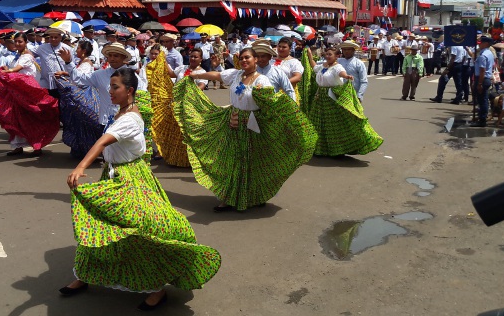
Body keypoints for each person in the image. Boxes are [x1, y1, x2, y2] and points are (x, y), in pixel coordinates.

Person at [61, 68, 221, 311]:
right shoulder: (122, 111)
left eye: (116, 87)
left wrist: (81, 166)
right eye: (111, 86)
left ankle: (158, 289)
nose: (110, 91)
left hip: (131, 179)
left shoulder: (129, 119)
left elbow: (103, 141)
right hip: (114, 175)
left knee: (143, 231)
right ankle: (85, 275)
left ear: (130, 91)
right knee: (99, 226)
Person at [173, 47, 316, 211]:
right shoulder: (236, 75)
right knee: (232, 162)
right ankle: (228, 198)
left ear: (255, 60)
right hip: (233, 123)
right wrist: (196, 75)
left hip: (254, 128)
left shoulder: (262, 81)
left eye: (247, 57)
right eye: (241, 58)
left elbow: (270, 106)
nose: (244, 61)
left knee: (253, 164)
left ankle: (255, 196)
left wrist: (251, 117)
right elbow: (218, 75)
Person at [0, 32, 59, 156]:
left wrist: (8, 71)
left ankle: (37, 147)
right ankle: (18, 145)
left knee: (31, 119)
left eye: (20, 41)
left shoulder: (27, 56)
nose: (17, 44)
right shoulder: (17, 55)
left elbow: (17, 69)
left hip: (28, 92)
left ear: (26, 43)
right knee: (16, 118)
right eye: (15, 41)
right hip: (17, 92)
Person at [305, 46, 383, 156]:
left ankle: (338, 150)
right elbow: (314, 67)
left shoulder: (338, 66)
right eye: (326, 54)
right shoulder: (325, 65)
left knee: (333, 125)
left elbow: (341, 73)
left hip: (331, 99)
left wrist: (347, 76)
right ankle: (320, 148)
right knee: (318, 123)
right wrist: (309, 55)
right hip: (320, 99)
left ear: (337, 56)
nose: (327, 56)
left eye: (330, 55)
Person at [54, 39, 103, 158]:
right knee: (79, 123)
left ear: (84, 51)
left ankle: (90, 150)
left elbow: (79, 78)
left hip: (85, 95)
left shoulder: (86, 64)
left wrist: (65, 73)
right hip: (81, 95)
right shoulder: (82, 62)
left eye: (79, 48)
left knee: (86, 122)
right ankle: (82, 149)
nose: (76, 50)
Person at [34, 27, 72, 99]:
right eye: (51, 37)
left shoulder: (67, 48)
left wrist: (63, 73)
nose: (53, 39)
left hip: (62, 84)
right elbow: (30, 53)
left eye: (55, 37)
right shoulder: (42, 48)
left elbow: (71, 66)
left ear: (60, 38)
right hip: (46, 84)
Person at [471, 37, 495, 127]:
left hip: (482, 79)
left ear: (486, 44)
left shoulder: (483, 55)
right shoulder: (489, 53)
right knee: (483, 99)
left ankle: (482, 120)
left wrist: (479, 84)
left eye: (481, 43)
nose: (479, 44)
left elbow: (482, 71)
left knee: (482, 100)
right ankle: (482, 118)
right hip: (485, 78)